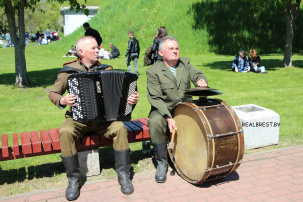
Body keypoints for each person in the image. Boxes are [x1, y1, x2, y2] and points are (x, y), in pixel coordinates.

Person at [49, 36, 139, 200]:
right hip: (77, 120)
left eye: (98, 48)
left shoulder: (106, 69)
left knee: (119, 128)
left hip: (104, 121)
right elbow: (53, 93)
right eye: (94, 48)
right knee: (66, 132)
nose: (98, 50)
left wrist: (131, 99)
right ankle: (74, 180)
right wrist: (61, 100)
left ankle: (124, 175)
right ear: (81, 52)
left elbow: (122, 95)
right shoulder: (68, 71)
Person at [146, 36, 208, 183]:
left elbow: (197, 74)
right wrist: (168, 117)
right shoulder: (153, 71)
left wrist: (201, 80)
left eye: (177, 48)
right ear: (161, 53)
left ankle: (192, 155)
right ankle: (162, 162)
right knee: (155, 122)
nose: (175, 51)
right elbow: (155, 98)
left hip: (185, 108)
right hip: (163, 109)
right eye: (171, 49)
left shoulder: (185, 63)